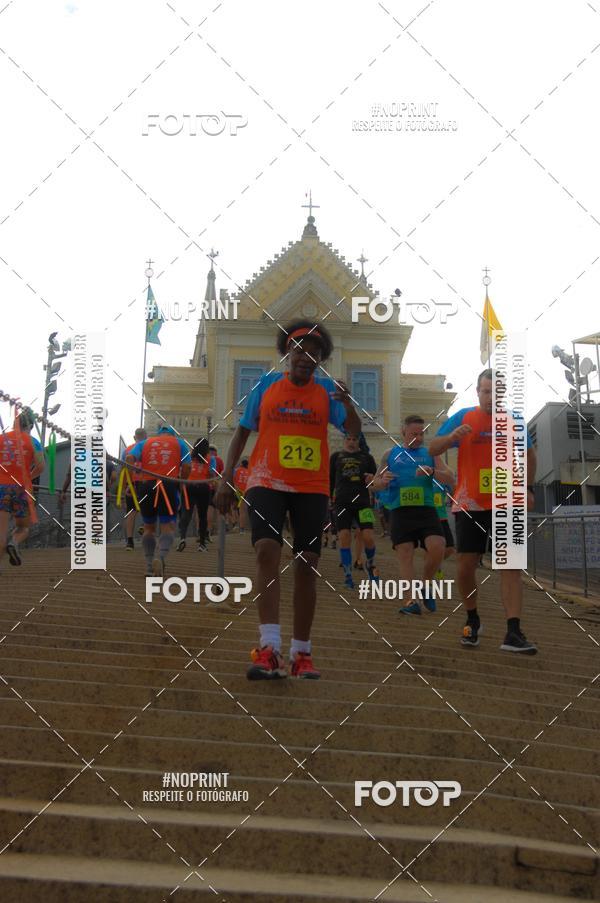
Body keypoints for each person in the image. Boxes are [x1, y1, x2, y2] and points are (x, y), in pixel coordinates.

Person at [215, 319, 360, 680]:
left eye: (314, 353)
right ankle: (268, 647)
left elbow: (354, 432)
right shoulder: (265, 386)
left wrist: (350, 405)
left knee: (307, 562)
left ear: (320, 361)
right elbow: (241, 433)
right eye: (299, 350)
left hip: (311, 486)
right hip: (266, 480)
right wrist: (226, 477)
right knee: (267, 550)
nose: (306, 357)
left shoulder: (328, 392)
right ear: (287, 354)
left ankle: (301, 653)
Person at [429, 368, 538, 654]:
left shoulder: (514, 420)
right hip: (470, 504)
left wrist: (528, 489)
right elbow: (433, 447)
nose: (492, 397)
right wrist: (451, 436)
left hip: (507, 503)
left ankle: (513, 632)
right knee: (466, 565)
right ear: (478, 392)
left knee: (511, 567)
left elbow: (529, 455)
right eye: (487, 391)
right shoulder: (464, 417)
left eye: (497, 392)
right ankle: (472, 619)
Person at [373, 415, 454, 615]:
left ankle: (426, 584)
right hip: (400, 510)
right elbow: (373, 484)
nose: (418, 438)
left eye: (421, 434)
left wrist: (432, 472)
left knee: (438, 547)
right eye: (413, 434)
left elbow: (450, 478)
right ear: (403, 432)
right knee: (405, 553)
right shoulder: (390, 454)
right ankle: (411, 602)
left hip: (426, 509)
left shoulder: (431, 453)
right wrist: (383, 481)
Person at [127, 425, 190, 577]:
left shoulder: (144, 443)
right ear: (172, 435)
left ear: (159, 434)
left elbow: (129, 459)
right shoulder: (180, 443)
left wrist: (131, 481)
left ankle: (149, 566)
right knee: (167, 526)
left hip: (147, 485)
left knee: (148, 527)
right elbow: (187, 466)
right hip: (168, 485)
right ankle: (160, 558)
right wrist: (182, 482)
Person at [330, 434, 378, 589]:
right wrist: (328, 497)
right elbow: (330, 479)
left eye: (354, 439)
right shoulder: (336, 457)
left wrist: (372, 480)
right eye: (348, 439)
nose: (351, 442)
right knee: (344, 537)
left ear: (359, 441)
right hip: (342, 502)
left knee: (368, 537)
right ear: (344, 440)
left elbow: (375, 480)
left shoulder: (367, 458)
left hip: (363, 502)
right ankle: (348, 575)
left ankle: (370, 565)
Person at [0, 407, 45, 568]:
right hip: (21, 488)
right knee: (23, 527)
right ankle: (14, 542)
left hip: (1, 486)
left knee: (1, 530)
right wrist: (27, 477)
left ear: (14, 423)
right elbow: (41, 466)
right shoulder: (33, 442)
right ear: (31, 426)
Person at [177, 438, 215, 553]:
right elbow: (211, 474)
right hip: (203, 487)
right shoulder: (210, 459)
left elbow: (183, 470)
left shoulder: (189, 457)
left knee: (186, 513)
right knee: (202, 515)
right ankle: (202, 544)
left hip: (189, 486)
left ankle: (182, 538)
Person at [120, 427, 147, 550]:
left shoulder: (127, 450)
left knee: (131, 512)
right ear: (146, 437)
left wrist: (125, 486)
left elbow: (123, 470)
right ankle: (144, 526)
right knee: (149, 508)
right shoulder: (148, 448)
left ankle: (129, 542)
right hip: (145, 482)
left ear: (134, 437)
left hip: (131, 483)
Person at [206, 445, 225, 540]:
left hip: (204, 485)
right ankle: (213, 530)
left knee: (202, 510)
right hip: (215, 486)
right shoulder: (219, 460)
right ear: (216, 451)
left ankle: (201, 530)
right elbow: (222, 475)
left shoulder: (204, 457)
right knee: (214, 509)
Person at [233, 457, 250, 533]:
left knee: (234, 508)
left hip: (236, 491)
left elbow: (232, 479)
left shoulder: (236, 470)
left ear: (241, 464)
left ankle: (236, 524)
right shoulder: (249, 471)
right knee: (243, 510)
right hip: (245, 492)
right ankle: (241, 529)